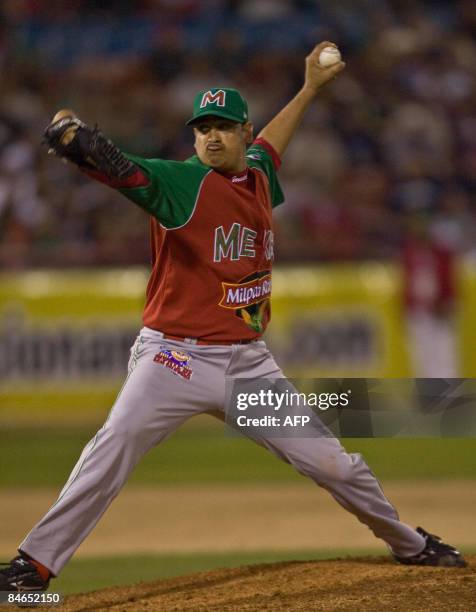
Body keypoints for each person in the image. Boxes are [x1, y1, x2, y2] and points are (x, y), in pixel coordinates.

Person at [0, 42, 466, 593]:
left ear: (244, 133)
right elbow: (123, 171)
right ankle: (33, 567)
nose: (212, 137)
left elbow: (275, 143)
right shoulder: (181, 184)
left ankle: (411, 546)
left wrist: (311, 89)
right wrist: (82, 146)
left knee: (336, 466)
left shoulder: (260, 172)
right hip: (174, 358)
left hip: (248, 368)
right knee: (113, 445)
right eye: (203, 128)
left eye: (224, 127)